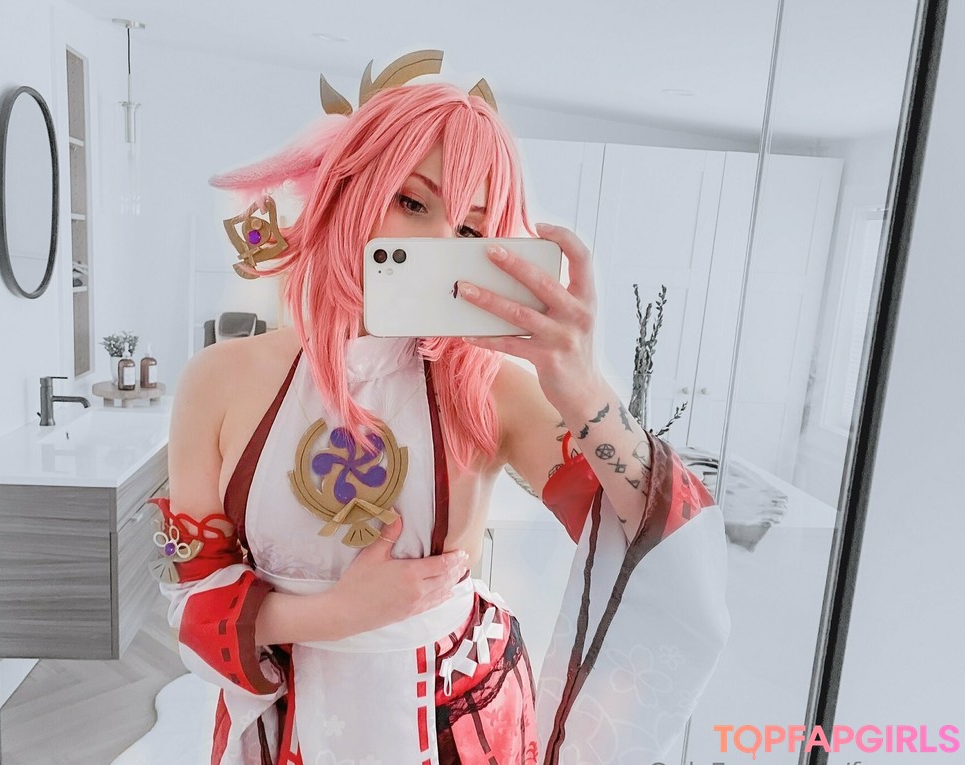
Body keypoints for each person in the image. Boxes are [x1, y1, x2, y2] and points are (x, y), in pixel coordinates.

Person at [149, 53, 730, 765]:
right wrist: (334, 615)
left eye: (469, 233)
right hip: (283, 716)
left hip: (457, 720)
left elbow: (650, 535)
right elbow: (193, 591)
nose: (433, 245)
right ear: (350, 189)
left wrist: (580, 381)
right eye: (413, 202)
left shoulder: (489, 387)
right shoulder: (218, 379)